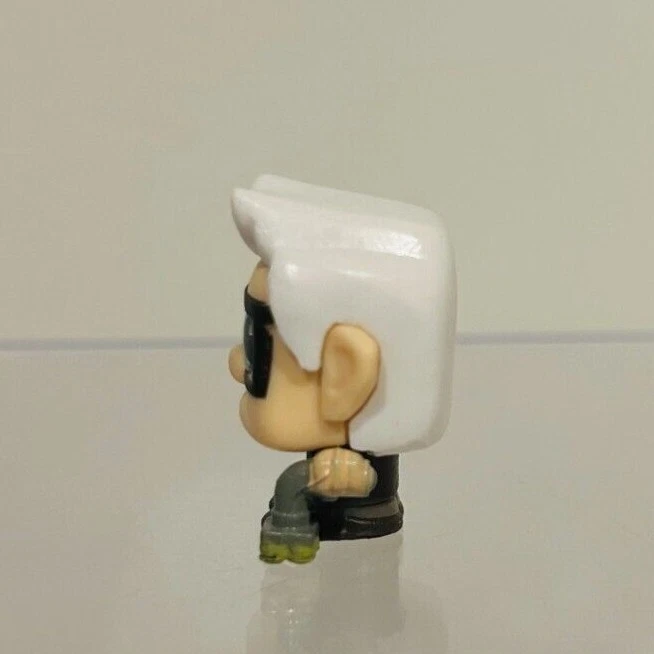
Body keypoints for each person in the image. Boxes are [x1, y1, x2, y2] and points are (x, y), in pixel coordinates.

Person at [228, 174, 456, 563]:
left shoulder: (348, 478)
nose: (237, 363)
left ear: (344, 375)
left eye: (257, 344)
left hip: (361, 563)